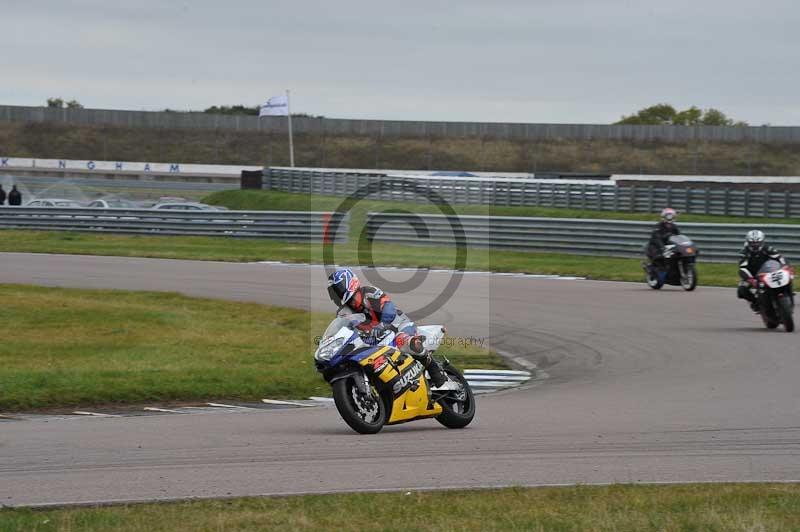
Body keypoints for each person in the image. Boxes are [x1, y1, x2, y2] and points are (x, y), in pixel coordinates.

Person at [327, 268, 459, 391]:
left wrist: (381, 325)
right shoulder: (343, 313)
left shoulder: (369, 292)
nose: (336, 293)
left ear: (349, 283)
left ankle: (438, 377)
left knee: (405, 342)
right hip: (374, 339)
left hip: (398, 326)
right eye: (333, 290)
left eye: (337, 288)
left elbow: (388, 309)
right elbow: (343, 331)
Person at [737, 230, 789, 312]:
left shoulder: (768, 249)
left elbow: (780, 258)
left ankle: (788, 293)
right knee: (741, 290)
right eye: (752, 243)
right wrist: (750, 279)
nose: (755, 245)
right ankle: (755, 303)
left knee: (787, 276)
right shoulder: (744, 253)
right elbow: (743, 268)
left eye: (758, 242)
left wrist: (785, 266)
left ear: (762, 241)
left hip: (769, 272)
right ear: (748, 242)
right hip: (753, 275)